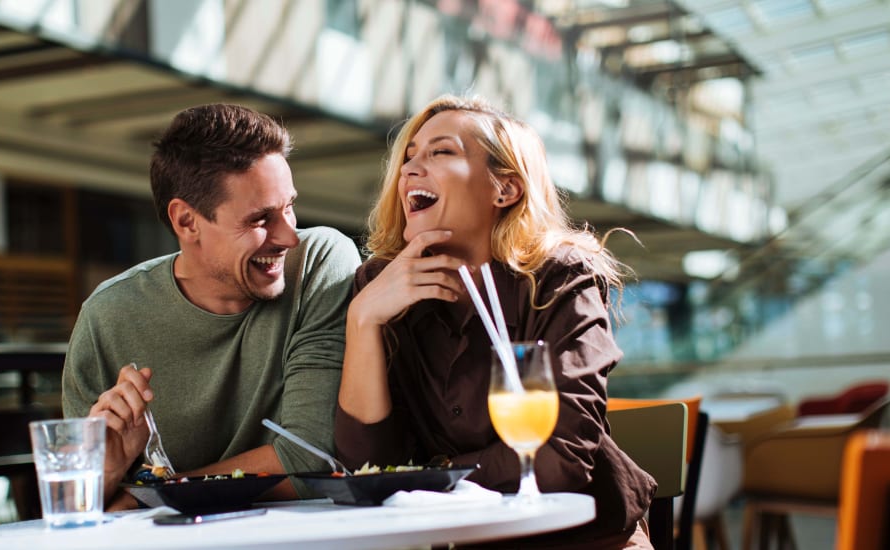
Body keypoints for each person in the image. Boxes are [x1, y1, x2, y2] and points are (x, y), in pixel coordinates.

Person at [335, 95, 656, 548]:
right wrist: (363, 320)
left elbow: (558, 459)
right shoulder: (380, 287)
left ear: (505, 189)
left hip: (583, 538)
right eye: (409, 157)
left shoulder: (561, 276)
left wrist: (432, 476)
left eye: (440, 152)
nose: (409, 169)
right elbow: (367, 466)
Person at [62, 103, 361, 508]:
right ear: (187, 222)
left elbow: (310, 460)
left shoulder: (319, 264)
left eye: (289, 207)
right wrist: (109, 473)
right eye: (260, 219)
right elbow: (77, 505)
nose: (289, 237)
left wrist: (149, 496)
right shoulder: (107, 317)